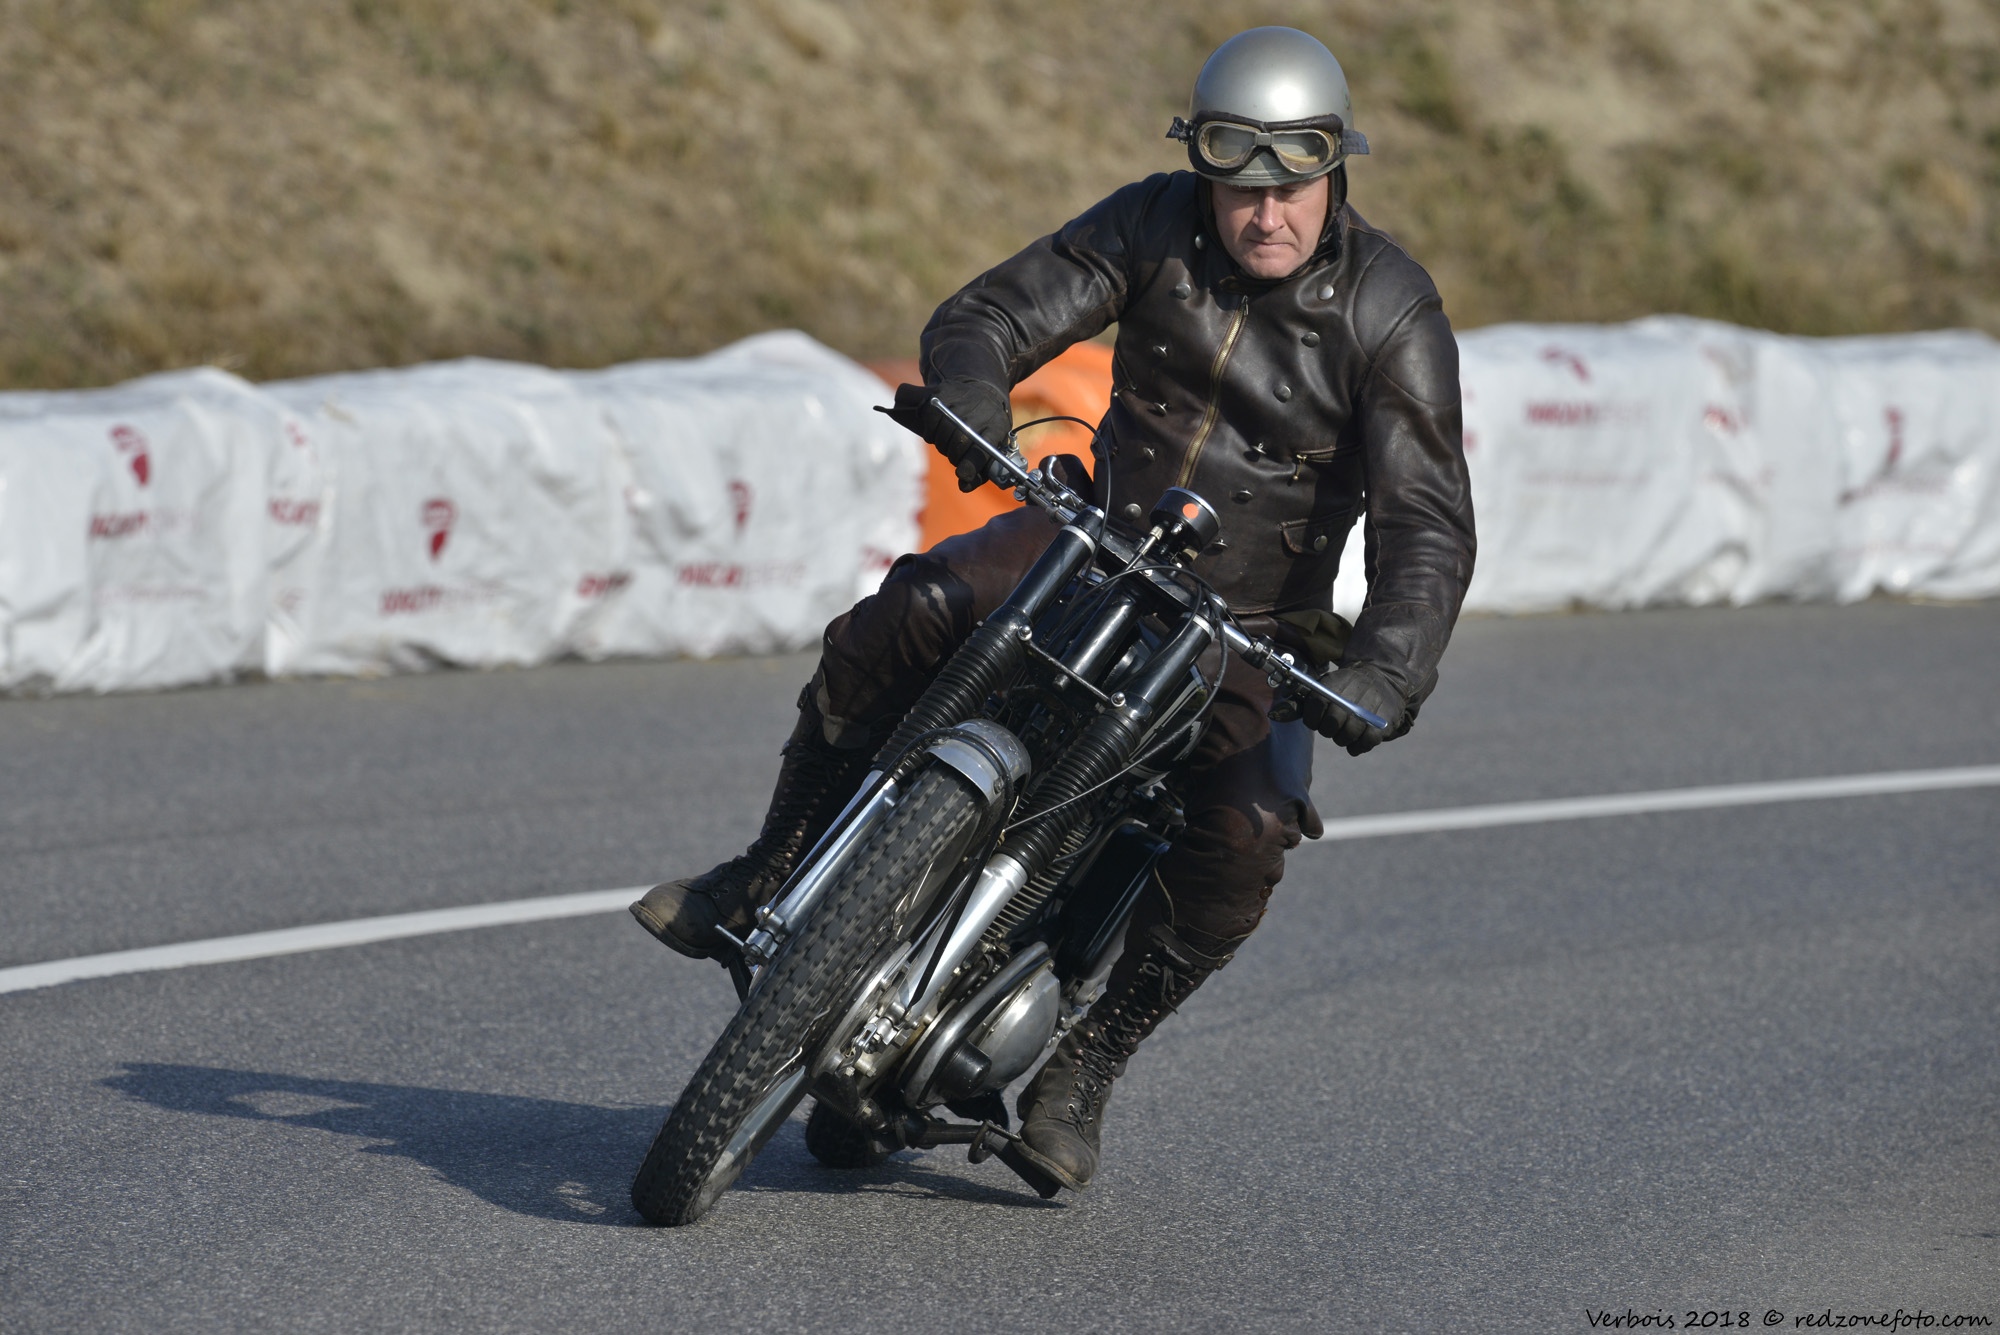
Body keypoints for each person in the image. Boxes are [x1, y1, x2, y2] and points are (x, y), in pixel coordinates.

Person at [631, 26, 1476, 1191]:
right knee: (906, 610)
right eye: (1237, 179)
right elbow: (992, 314)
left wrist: (1386, 668)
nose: (1263, 211)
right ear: (1200, 166)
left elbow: (1425, 520)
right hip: (1093, 537)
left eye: (1290, 181)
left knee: (1244, 834)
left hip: (1243, 624)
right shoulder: (1149, 221)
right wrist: (971, 395)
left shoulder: (1391, 309)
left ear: (1334, 167)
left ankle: (1087, 1063)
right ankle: (769, 867)